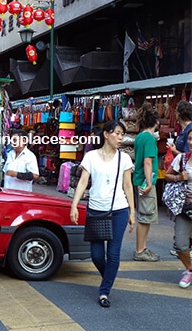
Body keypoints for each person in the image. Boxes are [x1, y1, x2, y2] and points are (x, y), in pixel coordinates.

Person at [70, 119, 135, 307]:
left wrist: (132, 211)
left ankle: (104, 291)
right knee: (97, 255)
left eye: (122, 134)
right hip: (95, 209)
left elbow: (128, 185)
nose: (120, 137)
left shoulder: (124, 158)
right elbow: (83, 182)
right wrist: (74, 205)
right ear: (106, 134)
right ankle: (109, 276)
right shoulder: (90, 156)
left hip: (118, 210)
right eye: (117, 133)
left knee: (113, 254)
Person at [164, 127, 192, 288]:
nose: (191, 142)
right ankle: (189, 270)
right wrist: (179, 177)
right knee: (181, 245)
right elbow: (168, 175)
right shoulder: (182, 158)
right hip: (185, 207)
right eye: (189, 139)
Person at [133, 102, 160, 261]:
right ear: (156, 121)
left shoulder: (140, 137)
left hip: (139, 179)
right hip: (145, 181)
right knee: (145, 216)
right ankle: (140, 250)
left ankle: (142, 248)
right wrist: (150, 183)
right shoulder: (149, 138)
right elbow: (147, 162)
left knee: (145, 215)